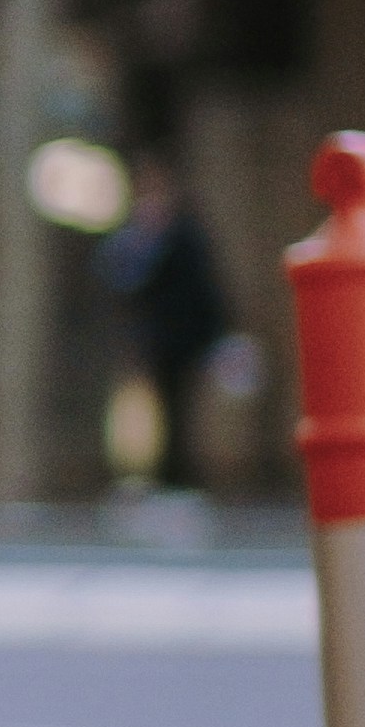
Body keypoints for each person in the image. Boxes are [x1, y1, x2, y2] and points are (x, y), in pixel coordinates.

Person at [101, 153, 234, 493]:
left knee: (179, 409)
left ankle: (177, 479)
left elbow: (202, 288)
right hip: (157, 338)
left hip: (183, 337)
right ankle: (161, 476)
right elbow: (123, 279)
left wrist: (216, 335)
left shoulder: (183, 234)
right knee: (158, 408)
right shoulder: (140, 233)